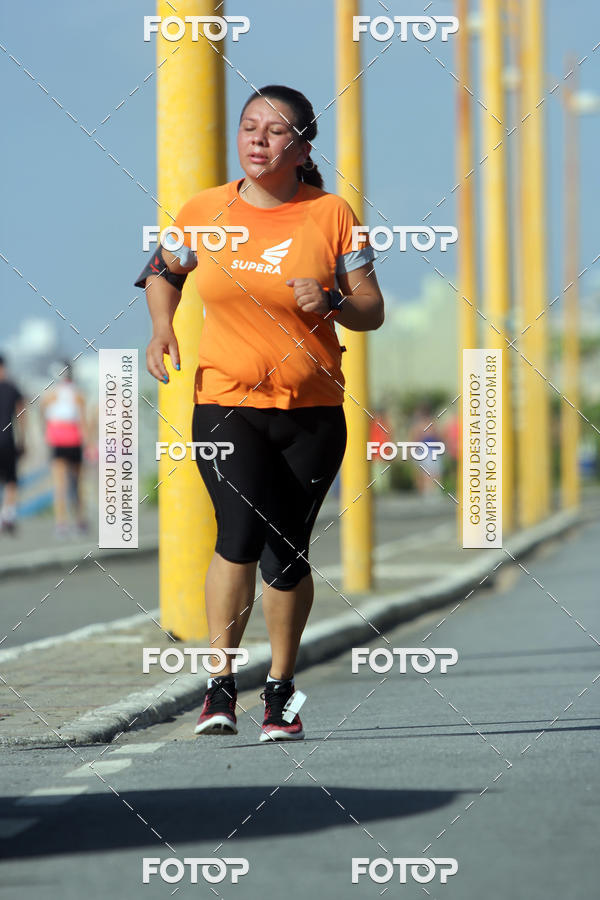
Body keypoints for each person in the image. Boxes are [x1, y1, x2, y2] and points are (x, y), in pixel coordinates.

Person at [137, 85, 384, 741]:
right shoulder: (204, 209)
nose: (256, 140)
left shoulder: (332, 214)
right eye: (249, 128)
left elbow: (372, 310)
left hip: (311, 412)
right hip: (224, 402)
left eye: (274, 132)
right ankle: (219, 687)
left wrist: (330, 296)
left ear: (303, 147)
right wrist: (162, 328)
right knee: (238, 535)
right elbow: (163, 269)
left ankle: (280, 689)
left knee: (287, 555)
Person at [41, 363, 88, 538]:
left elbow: (43, 416)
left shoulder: (50, 395)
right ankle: (80, 520)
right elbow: (83, 422)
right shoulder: (78, 394)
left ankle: (61, 523)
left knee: (59, 485)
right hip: (74, 441)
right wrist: (88, 444)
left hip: (58, 441)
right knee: (77, 483)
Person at [0, 355, 26, 534]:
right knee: (11, 479)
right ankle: (8, 515)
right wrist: (23, 440)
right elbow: (21, 413)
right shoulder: (12, 388)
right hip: (8, 440)